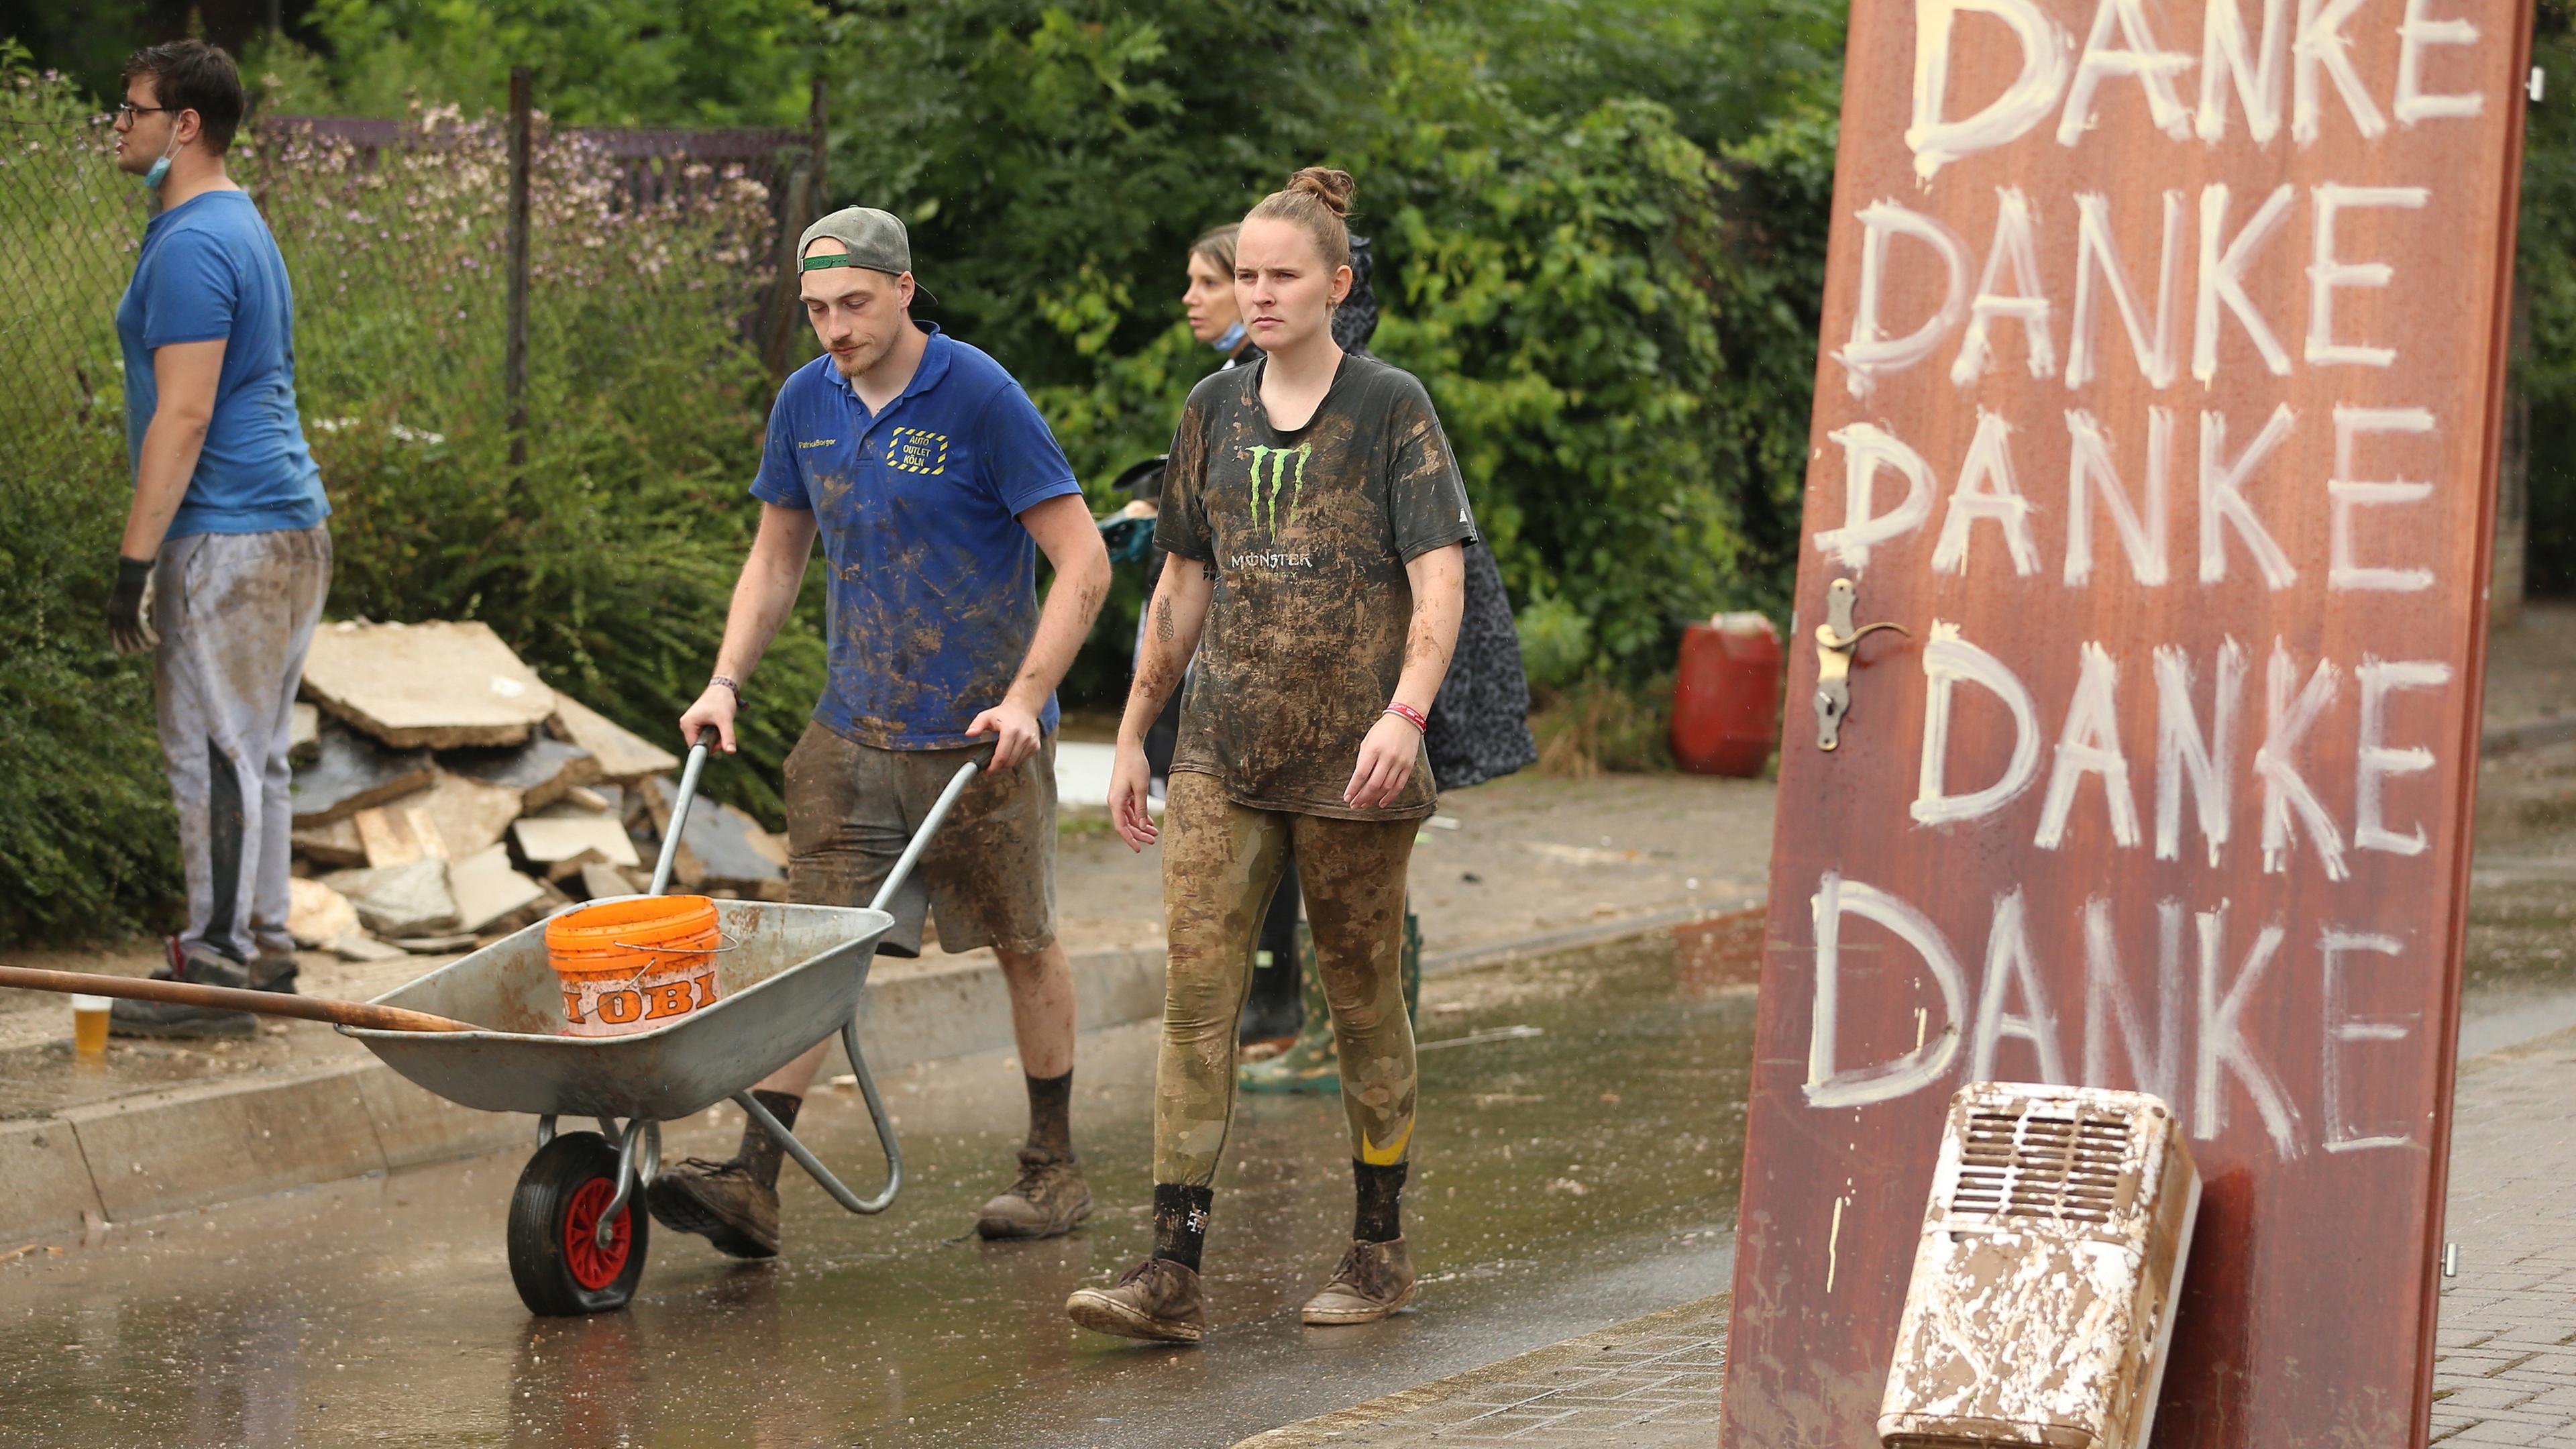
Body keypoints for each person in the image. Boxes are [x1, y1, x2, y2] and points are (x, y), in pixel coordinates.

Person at [651, 207, 1112, 1258]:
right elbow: (776, 562)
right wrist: (725, 682)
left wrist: (1028, 698)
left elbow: (1084, 561)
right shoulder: (805, 403)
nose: (834, 329)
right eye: (816, 310)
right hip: (852, 734)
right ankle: (752, 1182)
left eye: (853, 304)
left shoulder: (982, 397)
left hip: (980, 740)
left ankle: (1053, 1170)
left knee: (1023, 943)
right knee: (813, 951)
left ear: (906, 289)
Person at [1065, 167, 1469, 1342]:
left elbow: (1438, 575)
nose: (1259, 294)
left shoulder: (1393, 406)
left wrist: (1405, 714)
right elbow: (1183, 581)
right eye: (1245, 275)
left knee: (1358, 997)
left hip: (1356, 763)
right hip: (1222, 752)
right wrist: (1135, 732)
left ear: (1339, 285)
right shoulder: (1210, 409)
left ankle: (1377, 1247)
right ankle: (1169, 1271)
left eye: (1282, 275)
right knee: (1199, 1002)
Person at [104, 40, 333, 1038]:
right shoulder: (238, 221)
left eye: (133, 110)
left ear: (183, 125)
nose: (121, 125)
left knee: (216, 750)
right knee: (258, 750)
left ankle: (219, 962)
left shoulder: (196, 240)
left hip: (230, 532)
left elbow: (184, 415)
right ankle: (265, 943)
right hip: (286, 520)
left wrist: (133, 560)